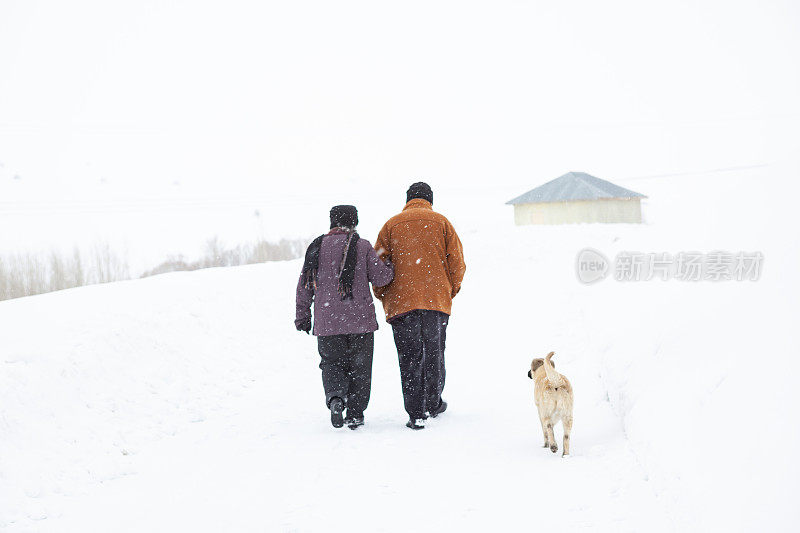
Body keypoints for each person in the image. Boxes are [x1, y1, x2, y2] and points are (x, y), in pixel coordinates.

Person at [373, 182, 466, 430]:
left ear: (407, 200)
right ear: (430, 200)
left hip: (401, 304)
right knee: (434, 352)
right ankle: (433, 403)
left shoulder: (390, 226)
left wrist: (384, 295)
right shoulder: (442, 223)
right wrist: (449, 291)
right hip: (435, 302)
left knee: (409, 357)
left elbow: (378, 264)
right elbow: (457, 262)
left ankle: (415, 412)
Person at [295, 205, 394, 429]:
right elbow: (381, 278)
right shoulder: (362, 246)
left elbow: (304, 286)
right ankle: (356, 413)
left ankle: (336, 398)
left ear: (332, 222)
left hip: (327, 322)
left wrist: (302, 315)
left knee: (332, 364)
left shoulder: (316, 248)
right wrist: (389, 265)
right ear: (354, 222)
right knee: (360, 367)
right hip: (360, 321)